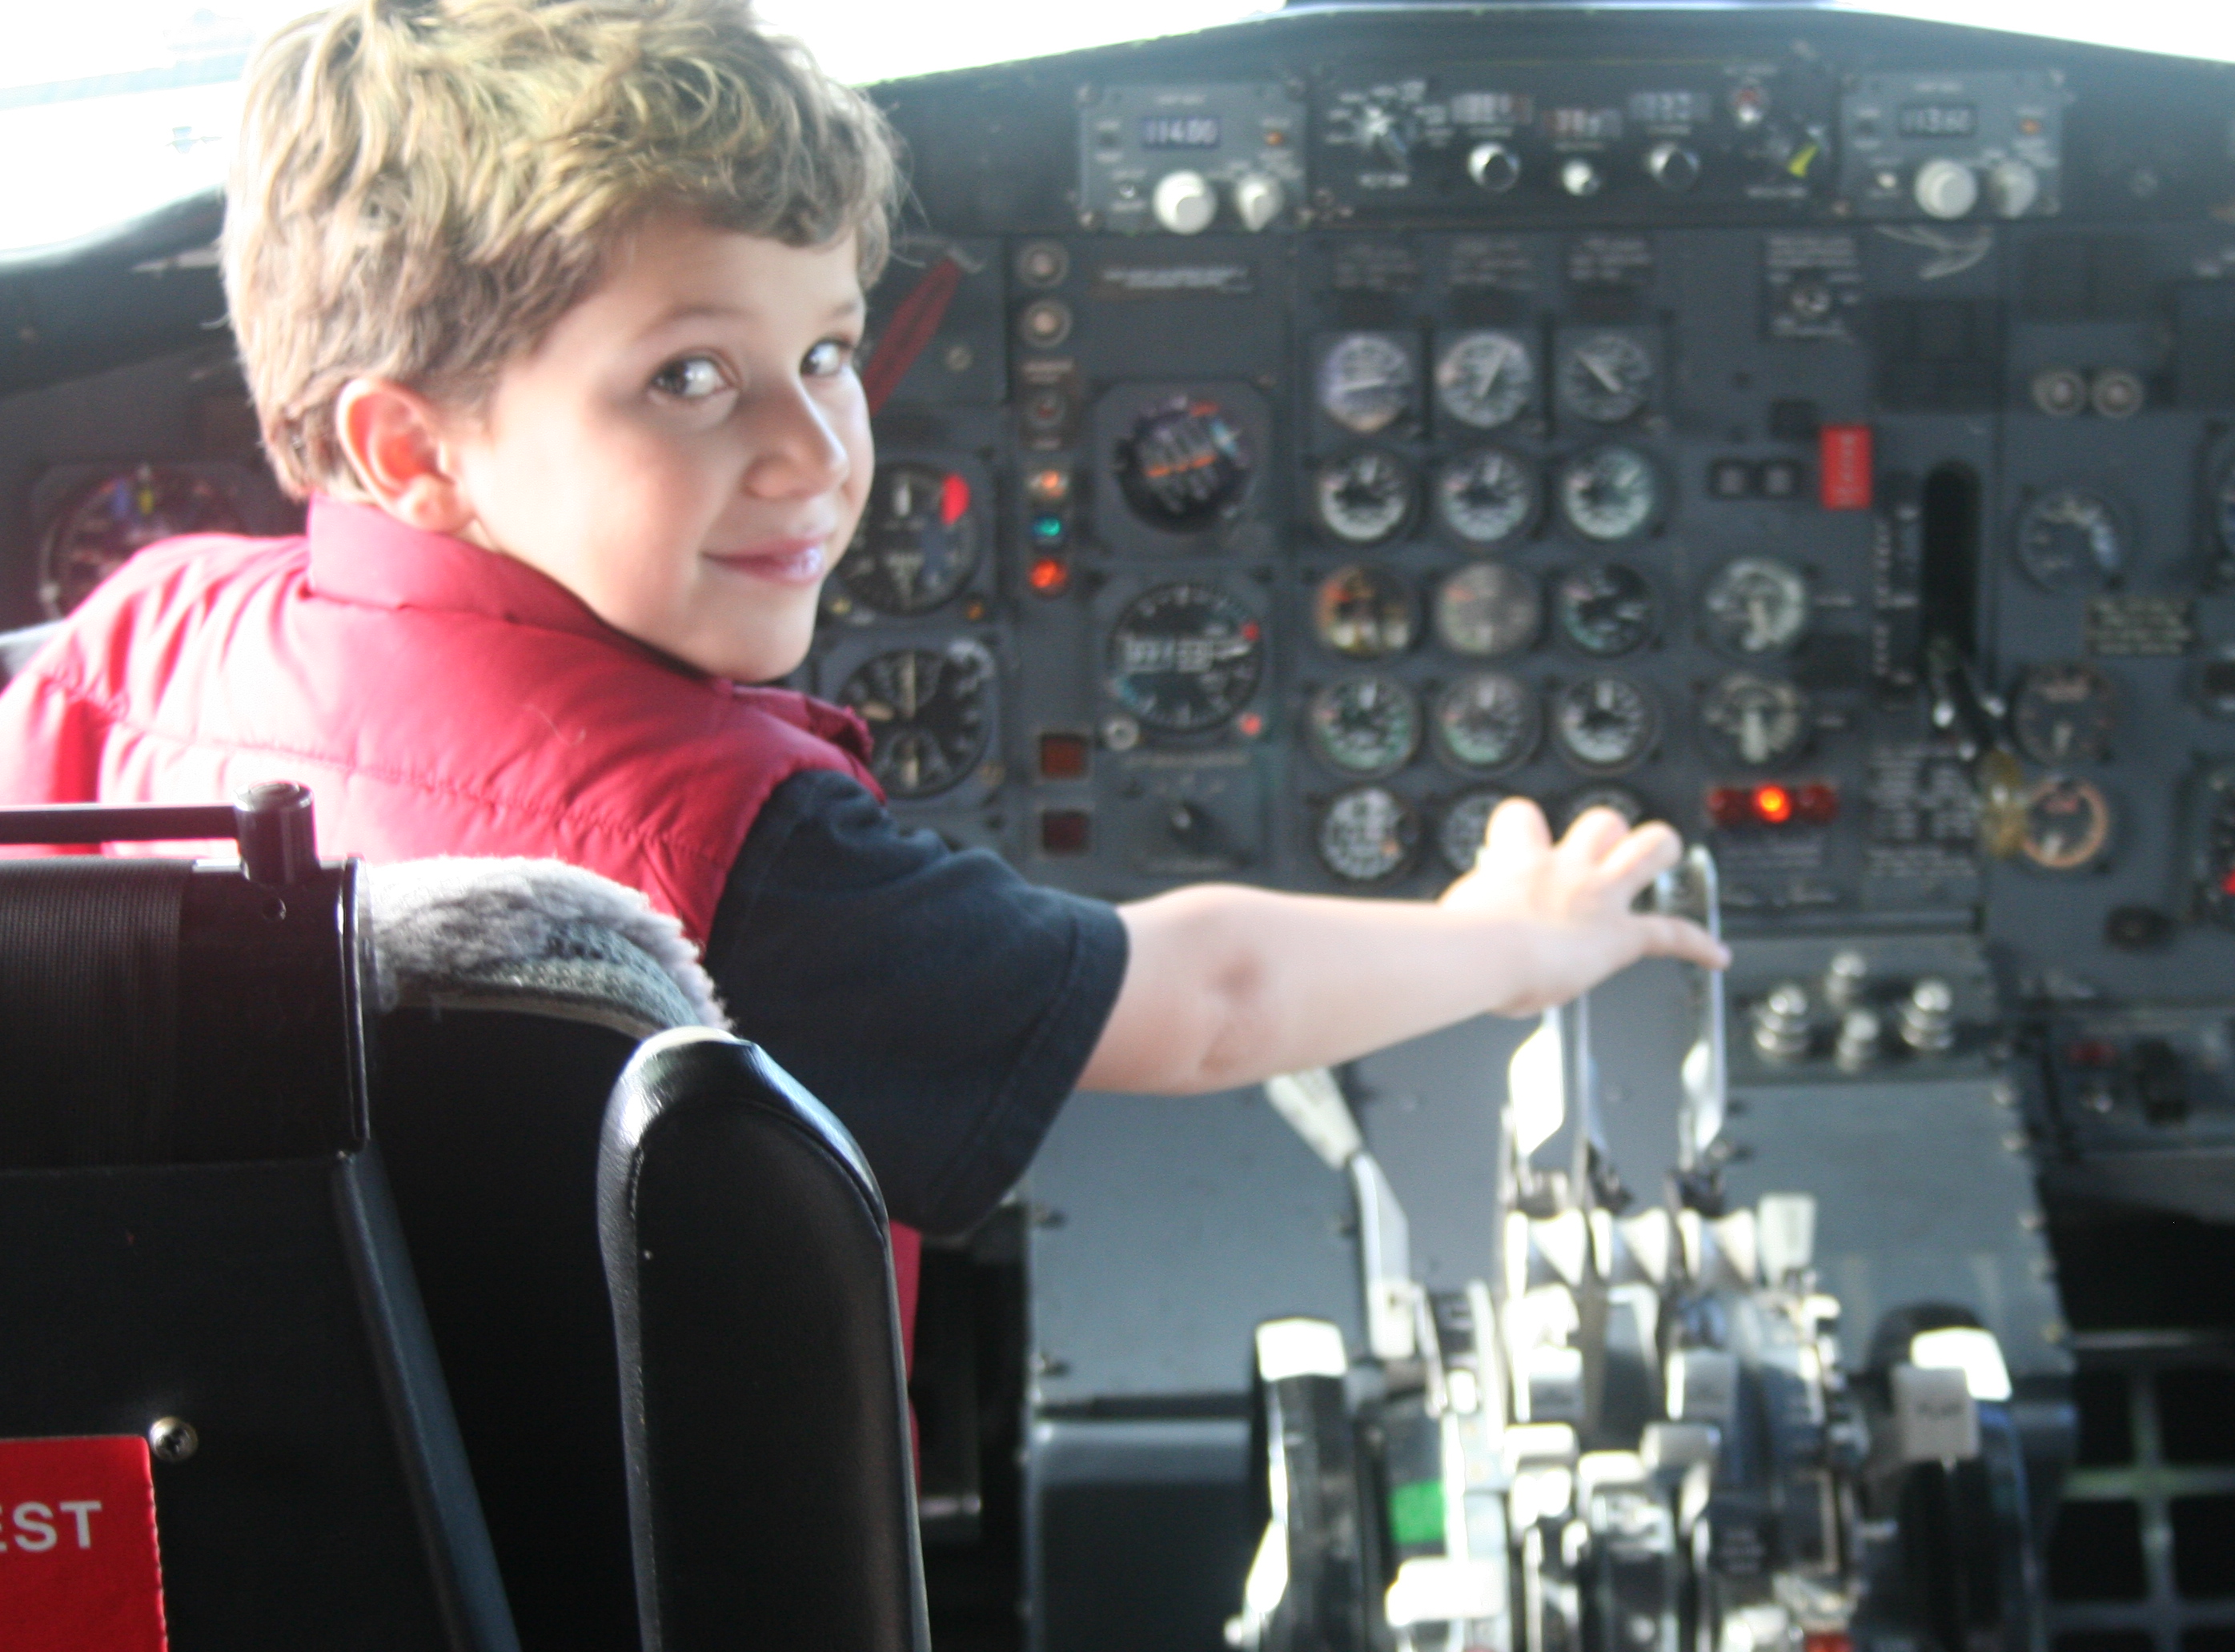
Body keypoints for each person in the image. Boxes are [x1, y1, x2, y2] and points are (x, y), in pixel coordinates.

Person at [0, 2, 1723, 1321]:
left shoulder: (144, 627)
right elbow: (1211, 1005)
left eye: (829, 351)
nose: (817, 454)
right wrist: (1512, 945)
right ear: (414, 448)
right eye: (690, 378)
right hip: (689, 1642)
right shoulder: (713, 857)